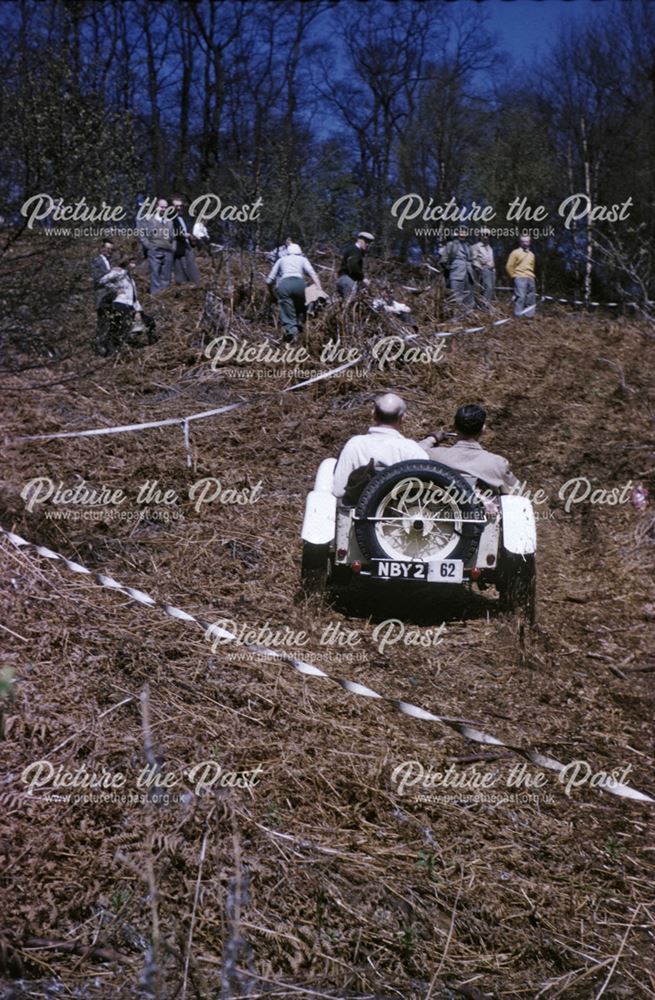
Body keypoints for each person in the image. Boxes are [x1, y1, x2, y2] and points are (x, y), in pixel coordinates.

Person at [333, 393, 428, 502]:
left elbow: (339, 490)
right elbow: (424, 490)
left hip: (357, 514)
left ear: (373, 414)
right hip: (397, 514)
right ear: (403, 418)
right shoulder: (412, 450)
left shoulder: (355, 444)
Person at [420, 403, 519, 494]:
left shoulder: (435, 456)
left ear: (455, 427)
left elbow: (414, 451)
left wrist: (432, 438)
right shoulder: (497, 464)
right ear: (483, 429)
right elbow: (517, 493)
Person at [99, 255, 157, 354]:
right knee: (123, 326)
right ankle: (111, 348)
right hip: (121, 303)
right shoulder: (118, 272)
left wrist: (138, 310)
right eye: (132, 262)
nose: (134, 265)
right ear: (126, 262)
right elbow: (103, 280)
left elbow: (134, 297)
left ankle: (153, 345)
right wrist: (115, 289)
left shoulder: (130, 277)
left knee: (149, 321)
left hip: (131, 305)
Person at [266, 243, 322, 342]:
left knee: (287, 311)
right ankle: (306, 315)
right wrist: (319, 289)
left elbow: (269, 281)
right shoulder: (303, 259)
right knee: (307, 297)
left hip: (284, 286)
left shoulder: (281, 260)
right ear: (299, 252)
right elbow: (313, 274)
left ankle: (293, 333)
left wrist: (272, 293)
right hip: (300, 284)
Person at [142, 198, 175, 294]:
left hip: (168, 251)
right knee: (155, 274)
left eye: (165, 207)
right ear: (156, 207)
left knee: (166, 276)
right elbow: (142, 235)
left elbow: (173, 237)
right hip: (154, 250)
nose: (163, 209)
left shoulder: (169, 221)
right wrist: (149, 246)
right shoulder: (149, 220)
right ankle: (155, 298)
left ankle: (165, 297)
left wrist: (173, 248)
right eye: (161, 207)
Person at [440, 227, 474, 307]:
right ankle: (456, 317)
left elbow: (471, 260)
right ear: (458, 233)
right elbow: (443, 260)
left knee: (469, 299)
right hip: (456, 274)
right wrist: (450, 268)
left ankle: (468, 317)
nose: (463, 233)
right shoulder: (451, 244)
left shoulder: (468, 246)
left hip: (468, 275)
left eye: (465, 232)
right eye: (461, 232)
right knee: (456, 298)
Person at [91, 240, 114, 356]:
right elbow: (97, 278)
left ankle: (109, 349)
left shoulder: (111, 262)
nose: (110, 251)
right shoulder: (96, 261)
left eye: (111, 249)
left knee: (111, 323)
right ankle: (99, 350)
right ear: (102, 248)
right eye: (108, 249)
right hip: (102, 298)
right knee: (102, 324)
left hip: (112, 298)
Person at [171, 196, 201, 284]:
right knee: (179, 267)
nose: (179, 208)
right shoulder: (170, 218)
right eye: (176, 206)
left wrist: (191, 237)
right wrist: (183, 235)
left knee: (191, 265)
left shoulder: (183, 218)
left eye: (180, 206)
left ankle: (196, 284)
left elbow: (187, 230)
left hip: (186, 245)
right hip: (177, 245)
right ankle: (183, 286)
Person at [337, 231, 374, 300]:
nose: (367, 244)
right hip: (347, 280)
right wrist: (363, 278)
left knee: (345, 303)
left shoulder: (353, 250)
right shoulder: (355, 250)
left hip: (342, 279)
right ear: (360, 240)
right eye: (366, 242)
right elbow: (353, 265)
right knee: (350, 302)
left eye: (369, 243)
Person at [506, 234, 536, 317]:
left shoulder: (532, 255)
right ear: (520, 242)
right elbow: (509, 266)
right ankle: (517, 316)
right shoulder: (515, 252)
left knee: (531, 298)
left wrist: (531, 276)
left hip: (530, 277)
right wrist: (514, 276)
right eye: (523, 241)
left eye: (527, 241)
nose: (525, 243)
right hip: (519, 277)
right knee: (520, 297)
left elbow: (532, 266)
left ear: (530, 242)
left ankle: (529, 317)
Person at [471, 229, 496, 302]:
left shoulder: (490, 248)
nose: (485, 237)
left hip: (492, 270)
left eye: (487, 235)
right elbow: (474, 259)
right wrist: (480, 268)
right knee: (488, 287)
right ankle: (484, 305)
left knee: (492, 288)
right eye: (483, 235)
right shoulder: (476, 246)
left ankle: (486, 304)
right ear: (480, 236)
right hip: (484, 268)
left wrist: (494, 269)